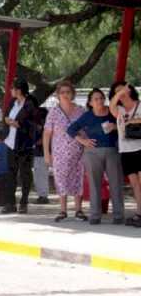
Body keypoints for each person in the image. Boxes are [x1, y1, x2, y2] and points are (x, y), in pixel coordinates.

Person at [66, 88, 124, 225]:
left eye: (101, 98)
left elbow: (124, 124)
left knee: (116, 184)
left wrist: (114, 127)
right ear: (90, 102)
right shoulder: (87, 116)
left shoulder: (112, 112)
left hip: (112, 151)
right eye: (96, 99)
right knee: (94, 184)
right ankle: (95, 215)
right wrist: (83, 141)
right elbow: (70, 129)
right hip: (92, 153)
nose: (99, 101)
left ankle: (118, 215)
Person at [43, 80, 87, 222]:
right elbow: (47, 134)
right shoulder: (53, 112)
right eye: (62, 92)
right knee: (61, 179)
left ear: (72, 94)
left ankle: (79, 209)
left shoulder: (80, 110)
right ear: (58, 95)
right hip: (59, 152)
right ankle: (63, 210)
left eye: (68, 92)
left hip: (78, 151)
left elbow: (86, 131)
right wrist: (46, 153)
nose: (65, 95)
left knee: (78, 178)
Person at [1, 78, 38, 214]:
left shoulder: (30, 103)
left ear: (19, 90)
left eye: (13, 88)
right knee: (10, 174)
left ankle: (24, 201)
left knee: (25, 174)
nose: (11, 91)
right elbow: (6, 116)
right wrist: (8, 121)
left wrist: (18, 124)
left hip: (24, 144)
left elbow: (32, 122)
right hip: (10, 142)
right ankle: (10, 203)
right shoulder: (12, 102)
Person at [109, 81, 141, 227]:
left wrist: (135, 120)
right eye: (117, 92)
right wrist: (119, 93)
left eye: (123, 90)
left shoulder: (139, 105)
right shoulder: (119, 110)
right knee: (135, 184)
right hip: (126, 150)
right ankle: (139, 213)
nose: (120, 93)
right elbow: (111, 107)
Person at [31, 106, 50, 204]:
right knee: (39, 175)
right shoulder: (40, 124)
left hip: (42, 153)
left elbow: (43, 139)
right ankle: (41, 195)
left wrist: (33, 143)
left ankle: (43, 196)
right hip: (38, 153)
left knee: (41, 175)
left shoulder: (44, 125)